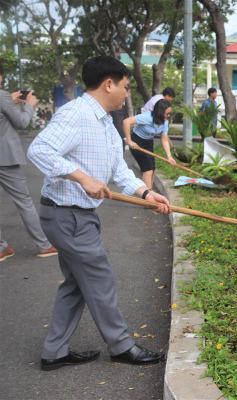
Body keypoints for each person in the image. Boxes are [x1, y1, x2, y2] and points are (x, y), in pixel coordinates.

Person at [27, 55, 170, 370]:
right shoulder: (75, 115)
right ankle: (121, 346)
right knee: (99, 278)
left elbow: (119, 169)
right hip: (68, 215)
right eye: (125, 86)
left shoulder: (106, 120)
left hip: (77, 216)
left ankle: (54, 352)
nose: (127, 94)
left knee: (78, 284)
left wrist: (147, 193)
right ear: (109, 83)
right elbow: (39, 150)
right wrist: (81, 177)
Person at [0, 63, 58, 261]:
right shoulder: (2, 96)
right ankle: (43, 245)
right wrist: (29, 105)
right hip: (4, 158)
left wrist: (11, 100)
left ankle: (1, 247)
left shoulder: (4, 98)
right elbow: (22, 122)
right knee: (23, 201)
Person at [123, 99, 177, 189]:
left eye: (169, 113)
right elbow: (126, 122)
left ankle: (149, 192)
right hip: (137, 142)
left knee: (152, 169)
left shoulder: (165, 122)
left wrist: (169, 156)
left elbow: (164, 139)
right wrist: (129, 141)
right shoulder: (147, 117)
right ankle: (146, 198)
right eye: (167, 113)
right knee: (147, 170)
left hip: (148, 143)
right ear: (160, 112)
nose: (169, 115)